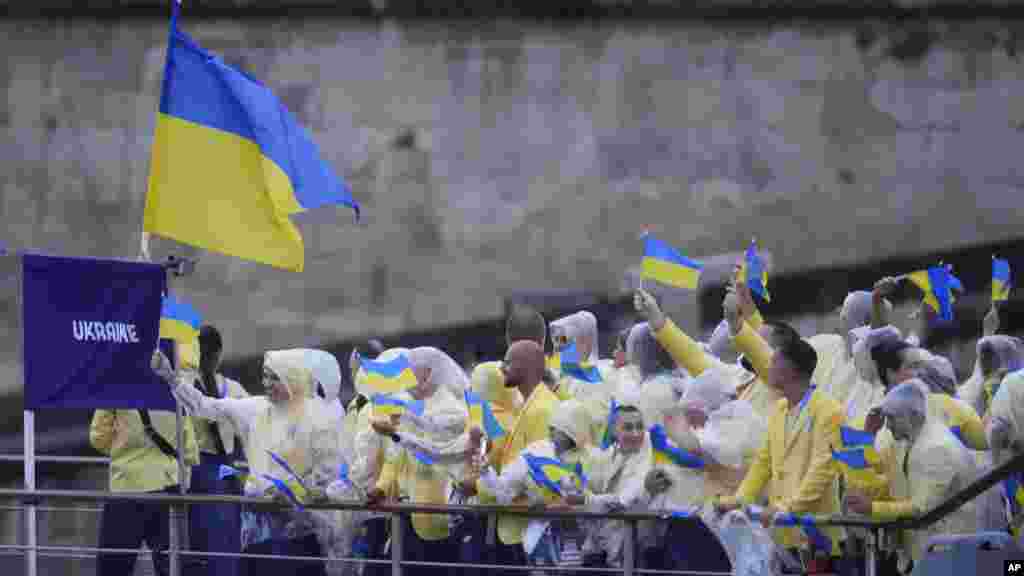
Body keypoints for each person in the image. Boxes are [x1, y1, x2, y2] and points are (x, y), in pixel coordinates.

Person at [154, 348, 341, 576]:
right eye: (265, 376)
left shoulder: (316, 417)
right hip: (257, 530)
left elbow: (328, 475)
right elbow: (205, 406)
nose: (267, 383)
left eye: (275, 377)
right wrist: (170, 377)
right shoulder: (255, 409)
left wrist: (295, 494)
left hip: (300, 532)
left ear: (292, 379)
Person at [714, 310, 845, 571]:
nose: (767, 367)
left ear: (791, 370)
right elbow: (763, 463)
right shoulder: (779, 409)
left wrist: (788, 509)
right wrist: (739, 500)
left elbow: (823, 469)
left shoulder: (829, 410)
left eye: (774, 361)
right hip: (782, 533)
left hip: (816, 536)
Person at [845, 381, 978, 575]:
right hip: (925, 552)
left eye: (891, 418)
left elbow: (921, 508)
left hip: (947, 555)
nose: (887, 426)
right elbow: (887, 470)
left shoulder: (935, 448)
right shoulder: (913, 436)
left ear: (914, 415)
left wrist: (872, 507)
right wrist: (868, 436)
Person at [365, 347, 469, 576]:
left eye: (411, 371)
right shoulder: (408, 407)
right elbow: (395, 456)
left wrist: (400, 426)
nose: (406, 377)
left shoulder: (453, 410)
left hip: (439, 514)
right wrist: (380, 489)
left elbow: (434, 450)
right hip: (407, 511)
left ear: (429, 373)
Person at [461, 400, 591, 570]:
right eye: (552, 426)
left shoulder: (594, 459)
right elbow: (503, 491)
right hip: (539, 544)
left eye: (559, 428)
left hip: (585, 547)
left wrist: (569, 504)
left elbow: (603, 500)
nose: (551, 431)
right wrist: (487, 472)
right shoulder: (535, 452)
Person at [90, 383, 200, 575]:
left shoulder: (116, 388)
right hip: (170, 488)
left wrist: (123, 452)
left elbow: (98, 438)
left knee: (114, 566)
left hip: (127, 486)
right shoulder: (176, 388)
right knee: (171, 566)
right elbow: (190, 451)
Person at [187, 325, 249, 576]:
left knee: (197, 540)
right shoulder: (233, 389)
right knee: (227, 540)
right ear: (219, 354)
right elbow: (255, 424)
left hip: (195, 471)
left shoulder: (185, 387)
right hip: (226, 471)